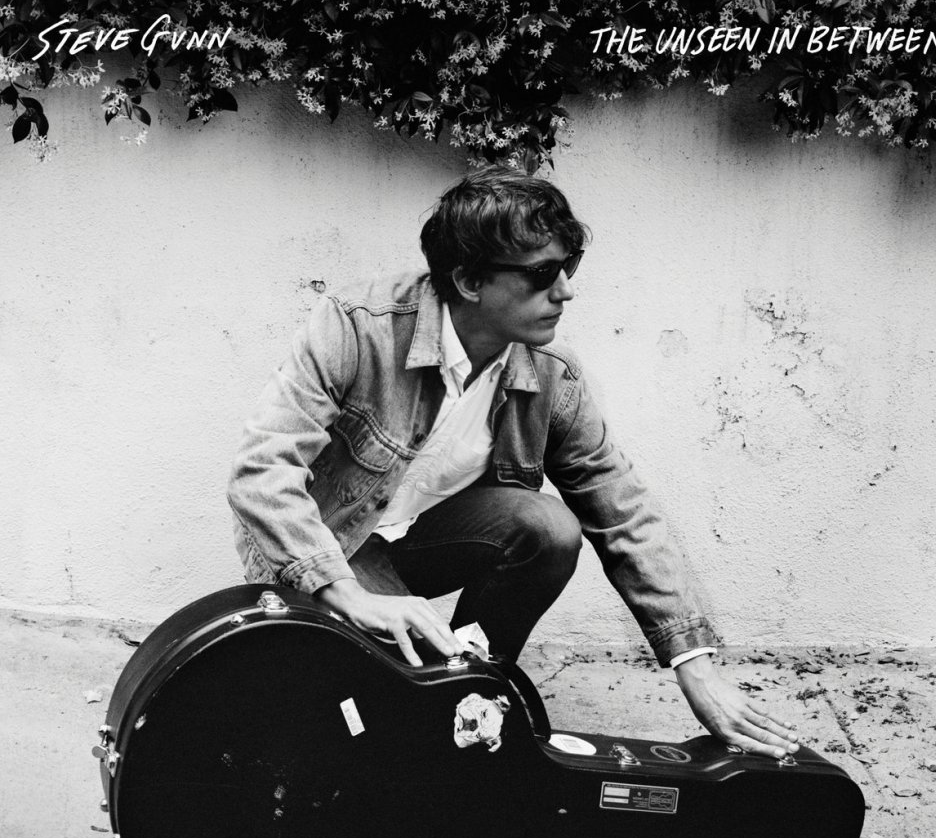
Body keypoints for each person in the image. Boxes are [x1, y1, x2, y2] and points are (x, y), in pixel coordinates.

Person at [227, 165, 798, 760]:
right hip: (333, 547)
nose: (566, 291)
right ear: (469, 280)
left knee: (549, 529)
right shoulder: (358, 326)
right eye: (542, 274)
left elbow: (623, 510)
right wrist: (347, 594)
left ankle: (474, 685)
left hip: (422, 538)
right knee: (388, 708)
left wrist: (694, 664)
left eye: (569, 267)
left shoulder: (551, 375)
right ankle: (414, 694)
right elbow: (261, 470)